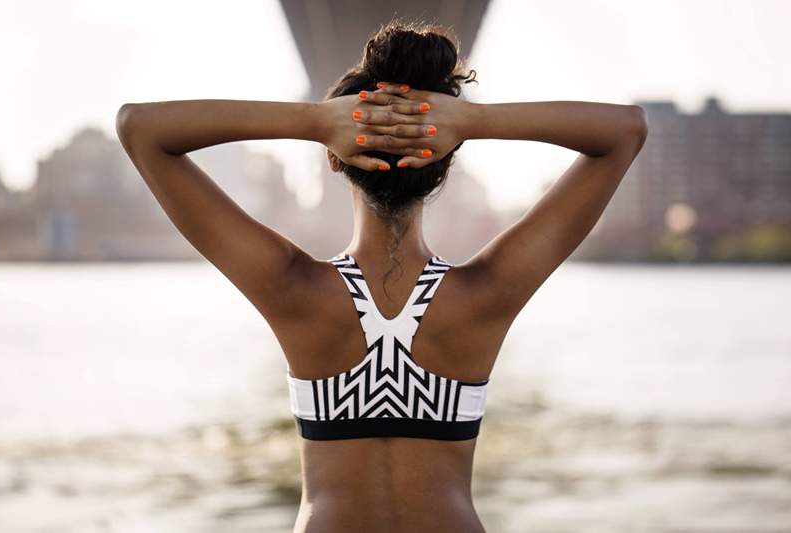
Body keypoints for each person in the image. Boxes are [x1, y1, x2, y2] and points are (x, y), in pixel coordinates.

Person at [116, 19, 647, 533]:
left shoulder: (293, 291)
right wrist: (470, 122)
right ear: (445, 161)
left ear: (334, 159)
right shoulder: (484, 296)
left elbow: (140, 128)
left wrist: (316, 121)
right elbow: (624, 131)